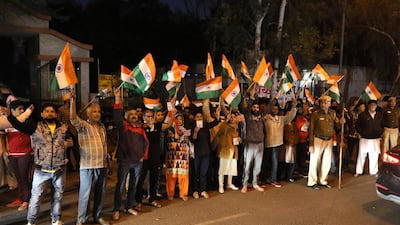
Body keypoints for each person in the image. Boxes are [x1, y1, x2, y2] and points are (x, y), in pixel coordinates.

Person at [8, 103, 72, 225]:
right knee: (36, 198)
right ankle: (31, 221)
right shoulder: (35, 127)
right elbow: (17, 125)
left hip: (60, 168)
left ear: (56, 114)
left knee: (58, 196)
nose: (50, 113)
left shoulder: (64, 128)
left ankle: (56, 219)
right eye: (46, 111)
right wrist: (10, 116)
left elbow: (71, 142)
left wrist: (69, 144)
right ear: (42, 114)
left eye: (52, 111)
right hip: (41, 169)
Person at [70, 92, 110, 225]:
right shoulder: (84, 126)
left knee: (100, 193)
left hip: (102, 165)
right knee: (85, 194)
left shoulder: (102, 127)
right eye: (94, 111)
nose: (97, 113)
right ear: (88, 114)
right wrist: (73, 101)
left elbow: (104, 145)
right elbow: (73, 118)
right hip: (87, 165)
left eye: (98, 111)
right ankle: (81, 219)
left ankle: (97, 216)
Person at [112, 88, 149, 221]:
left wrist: (142, 157)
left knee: (133, 185)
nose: (134, 115)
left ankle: (129, 206)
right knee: (120, 185)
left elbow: (146, 143)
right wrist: (117, 99)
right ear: (126, 116)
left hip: (137, 162)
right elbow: (117, 116)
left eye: (135, 114)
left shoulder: (140, 128)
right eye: (131, 114)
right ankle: (116, 209)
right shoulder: (123, 127)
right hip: (125, 161)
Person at [307, 95, 343, 190]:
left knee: (326, 162)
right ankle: (312, 181)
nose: (324, 104)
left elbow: (337, 127)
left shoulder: (333, 113)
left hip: (329, 139)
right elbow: (311, 130)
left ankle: (323, 180)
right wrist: (311, 144)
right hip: (318, 139)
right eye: (322, 102)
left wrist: (340, 122)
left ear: (330, 103)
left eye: (326, 102)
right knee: (315, 161)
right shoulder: (315, 114)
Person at [5, 100, 35, 211]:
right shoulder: (7, 122)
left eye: (23, 108)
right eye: (19, 109)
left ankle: (26, 200)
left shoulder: (26, 122)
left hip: (25, 154)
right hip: (13, 154)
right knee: (18, 178)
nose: (22, 111)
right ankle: (21, 198)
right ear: (12, 111)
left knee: (24, 177)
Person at [262, 100, 297, 187]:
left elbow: (290, 117)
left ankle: (273, 179)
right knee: (266, 163)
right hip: (267, 143)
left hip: (277, 144)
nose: (274, 110)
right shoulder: (266, 118)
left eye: (276, 109)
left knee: (275, 163)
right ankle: (264, 179)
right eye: (273, 109)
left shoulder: (281, 119)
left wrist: (294, 108)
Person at [191, 99, 220, 199]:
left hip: (206, 152)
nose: (199, 118)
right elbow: (193, 141)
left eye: (200, 117)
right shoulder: (193, 127)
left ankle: (203, 190)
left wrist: (217, 114)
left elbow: (215, 123)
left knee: (204, 172)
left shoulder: (205, 126)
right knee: (196, 172)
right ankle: (195, 190)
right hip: (196, 153)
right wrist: (195, 132)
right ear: (195, 118)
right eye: (197, 117)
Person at [240, 84, 266, 193]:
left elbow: (269, 108)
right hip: (250, 144)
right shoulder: (248, 116)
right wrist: (251, 97)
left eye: (257, 107)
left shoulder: (261, 116)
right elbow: (245, 108)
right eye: (254, 107)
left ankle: (255, 183)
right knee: (247, 166)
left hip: (260, 144)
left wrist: (275, 97)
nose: (256, 109)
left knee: (258, 166)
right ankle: (245, 184)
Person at [212, 109, 241, 194]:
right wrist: (226, 121)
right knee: (222, 169)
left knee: (231, 168)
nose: (232, 119)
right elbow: (222, 131)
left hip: (233, 149)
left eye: (234, 117)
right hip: (225, 150)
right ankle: (221, 185)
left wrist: (238, 140)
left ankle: (229, 183)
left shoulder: (237, 127)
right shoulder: (224, 125)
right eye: (231, 117)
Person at [354, 99, 384, 177]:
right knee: (361, 155)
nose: (373, 106)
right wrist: (362, 133)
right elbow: (357, 125)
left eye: (374, 105)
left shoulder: (379, 115)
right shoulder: (363, 115)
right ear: (368, 106)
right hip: (365, 138)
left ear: (376, 106)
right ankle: (359, 171)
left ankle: (373, 171)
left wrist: (380, 132)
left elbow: (382, 125)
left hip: (375, 138)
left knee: (374, 155)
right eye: (371, 105)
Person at [165, 113, 191, 201]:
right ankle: (170, 193)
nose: (179, 121)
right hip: (172, 155)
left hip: (183, 156)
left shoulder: (185, 131)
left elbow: (188, 143)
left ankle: (183, 193)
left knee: (183, 175)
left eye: (181, 119)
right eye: (177, 119)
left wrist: (186, 138)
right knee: (171, 175)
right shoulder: (169, 129)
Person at [58, 93, 80, 171]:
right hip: (66, 132)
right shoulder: (61, 109)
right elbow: (59, 119)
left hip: (74, 131)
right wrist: (63, 126)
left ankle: (78, 166)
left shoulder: (74, 108)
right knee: (67, 151)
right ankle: (69, 167)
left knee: (76, 150)